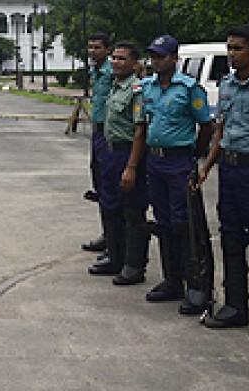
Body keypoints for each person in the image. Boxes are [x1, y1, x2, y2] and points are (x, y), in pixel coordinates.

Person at [195, 25, 249, 345]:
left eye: (239, 48)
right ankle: (235, 306)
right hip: (229, 172)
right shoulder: (228, 85)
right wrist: (206, 168)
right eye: (230, 48)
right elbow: (221, 129)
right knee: (231, 241)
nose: (232, 53)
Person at [133, 34, 213, 314]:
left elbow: (206, 126)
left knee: (187, 224)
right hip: (155, 163)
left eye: (161, 56)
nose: (155, 61)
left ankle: (197, 286)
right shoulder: (148, 88)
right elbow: (144, 124)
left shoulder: (190, 88)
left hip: (179, 161)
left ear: (174, 59)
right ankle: (172, 280)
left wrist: (194, 156)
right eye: (153, 56)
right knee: (164, 223)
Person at [97, 41, 151, 284]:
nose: (116, 62)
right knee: (111, 207)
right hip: (110, 152)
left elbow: (140, 131)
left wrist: (131, 167)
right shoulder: (115, 87)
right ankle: (115, 258)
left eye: (121, 59)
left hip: (128, 153)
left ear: (134, 63)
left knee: (132, 210)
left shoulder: (136, 89)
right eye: (114, 58)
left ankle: (134, 265)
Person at [82, 33, 114, 257]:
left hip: (110, 133)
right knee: (100, 186)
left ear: (108, 50)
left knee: (110, 187)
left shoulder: (113, 72)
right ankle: (108, 234)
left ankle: (116, 242)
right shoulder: (96, 71)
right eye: (90, 47)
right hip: (97, 134)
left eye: (97, 47)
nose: (93, 51)